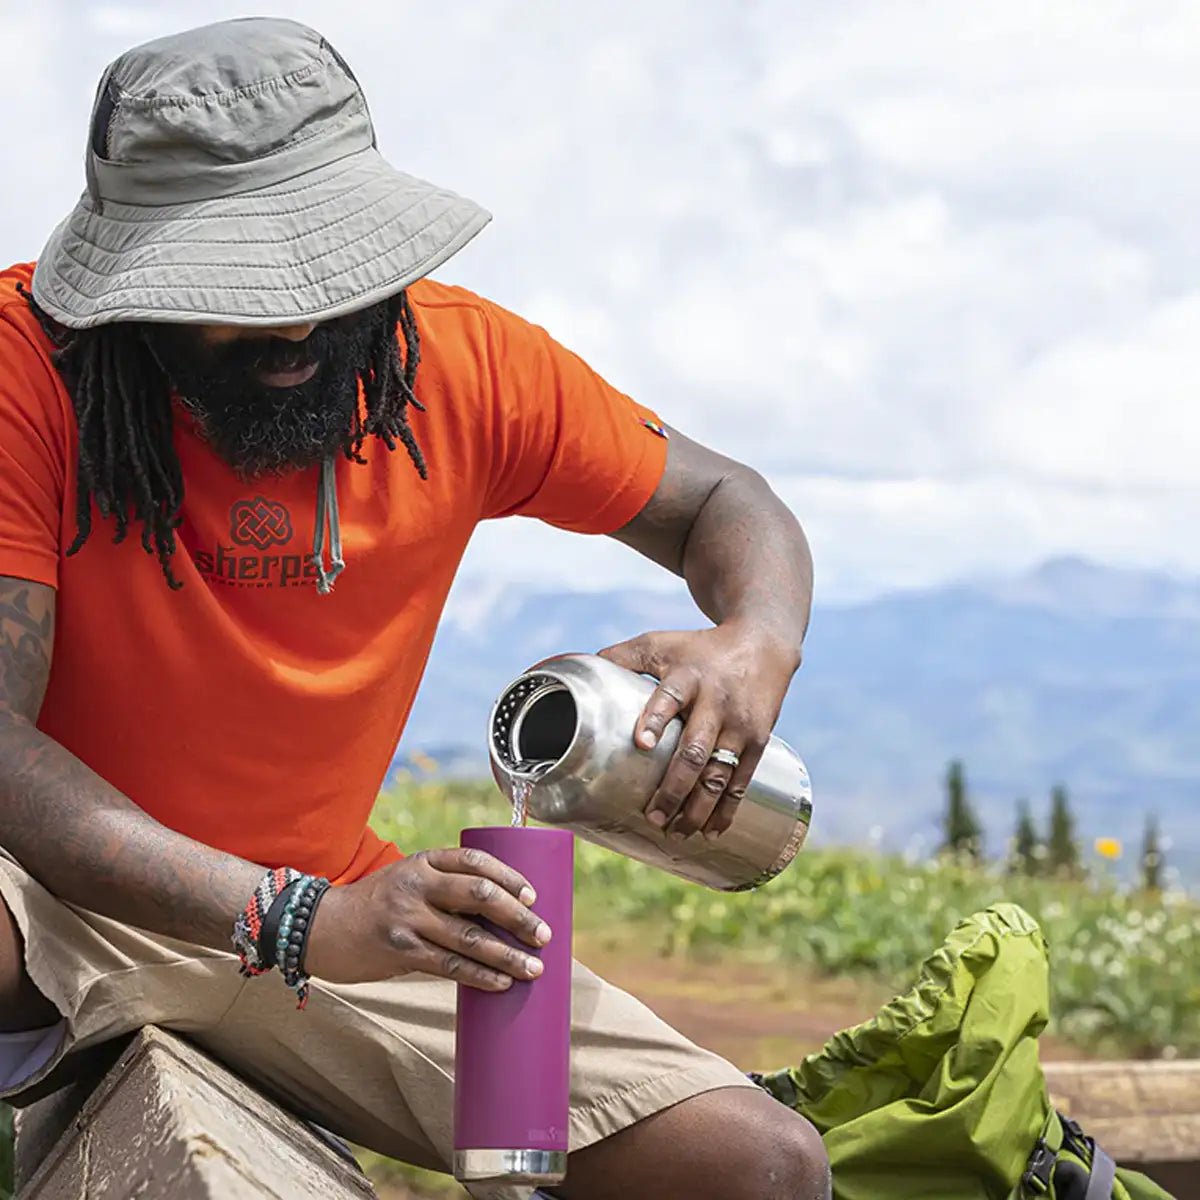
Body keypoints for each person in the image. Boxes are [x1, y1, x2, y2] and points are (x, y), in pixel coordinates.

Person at [0, 17, 826, 1200]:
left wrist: (757, 637)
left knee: (756, 1166)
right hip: (56, 906)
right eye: (232, 291)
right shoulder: (24, 368)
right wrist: (286, 919)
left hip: (345, 921)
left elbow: (725, 503)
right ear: (134, 290)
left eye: (329, 280)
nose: (293, 327)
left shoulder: (465, 367)